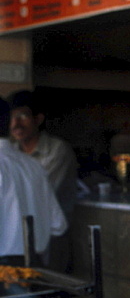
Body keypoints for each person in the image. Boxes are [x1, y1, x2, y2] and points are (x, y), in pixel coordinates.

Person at [8, 90, 78, 271]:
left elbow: (42, 197)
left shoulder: (57, 151)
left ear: (38, 119)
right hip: (19, 242)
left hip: (50, 239)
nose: (16, 124)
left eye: (23, 116)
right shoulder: (12, 152)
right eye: (12, 118)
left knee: (45, 293)